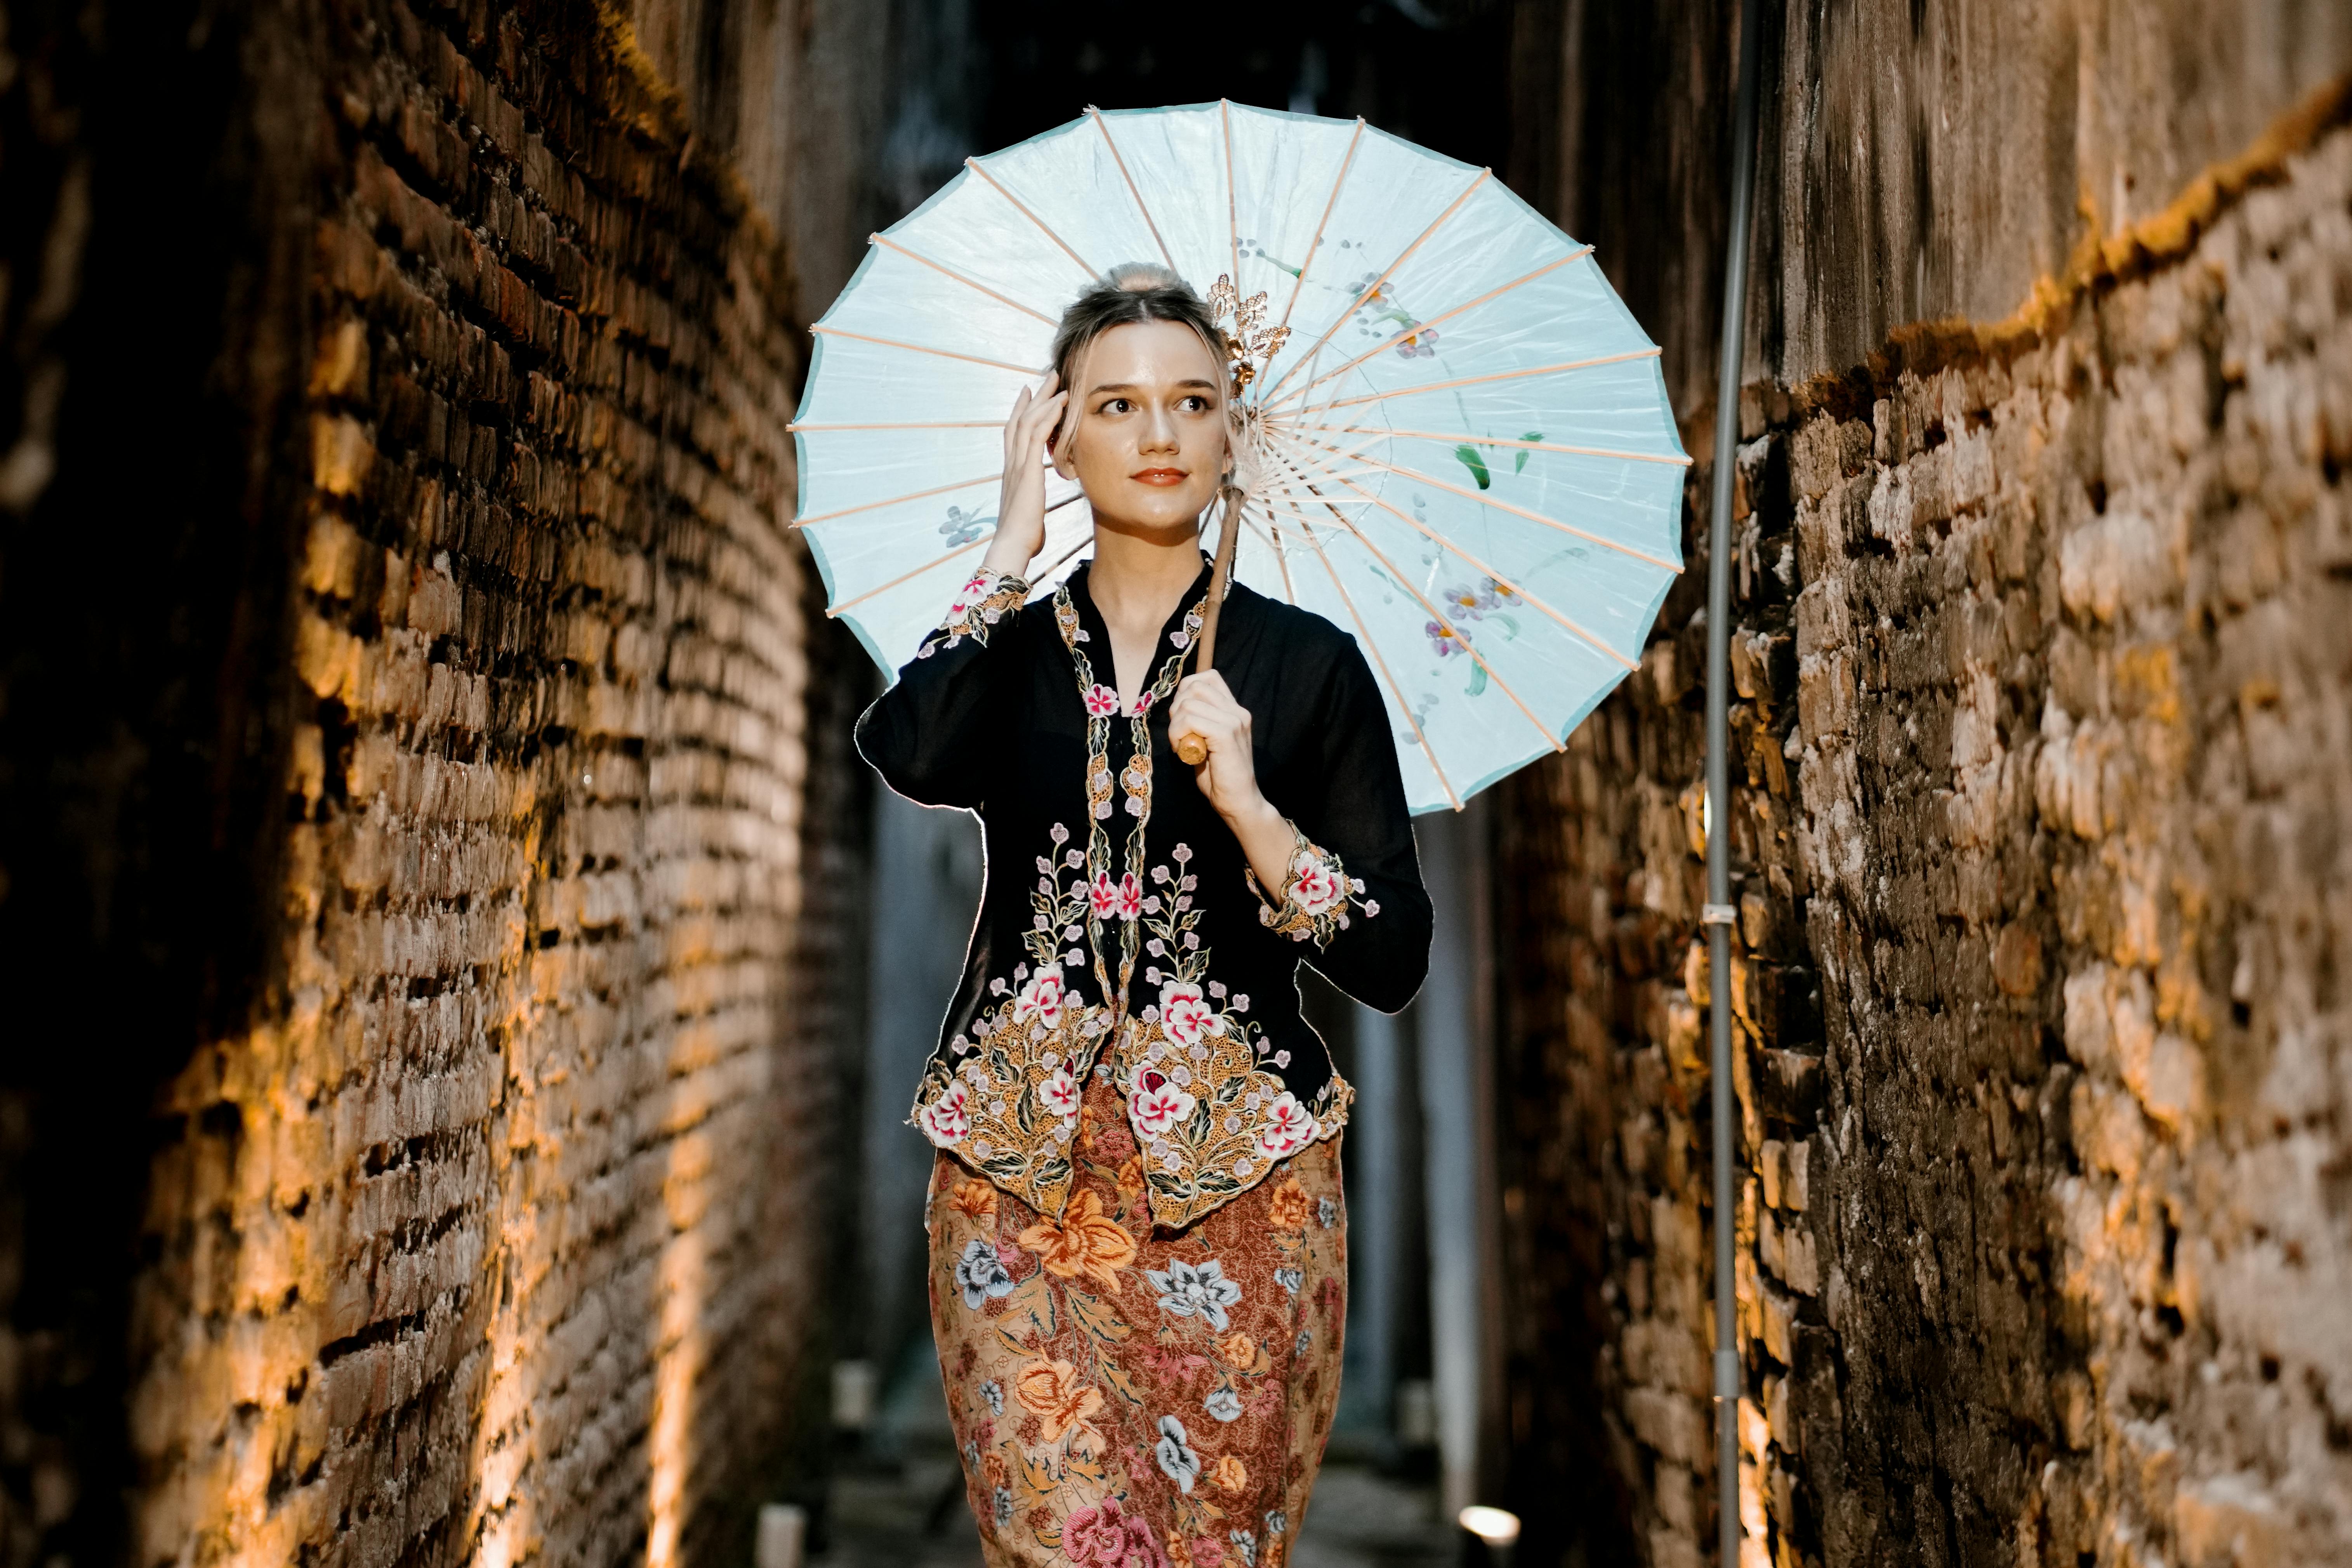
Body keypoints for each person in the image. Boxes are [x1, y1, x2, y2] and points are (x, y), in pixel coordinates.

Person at [857, 261, 1433, 1568]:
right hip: (1014, 1181)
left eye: (1192, 401)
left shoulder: (1306, 666)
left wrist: (1252, 809)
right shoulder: (1005, 656)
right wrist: (1006, 550)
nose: (1158, 433)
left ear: (1236, 432)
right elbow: (909, 748)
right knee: (1054, 1543)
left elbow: (1393, 955)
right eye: (1115, 405)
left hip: (1241, 1194)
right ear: (1058, 436)